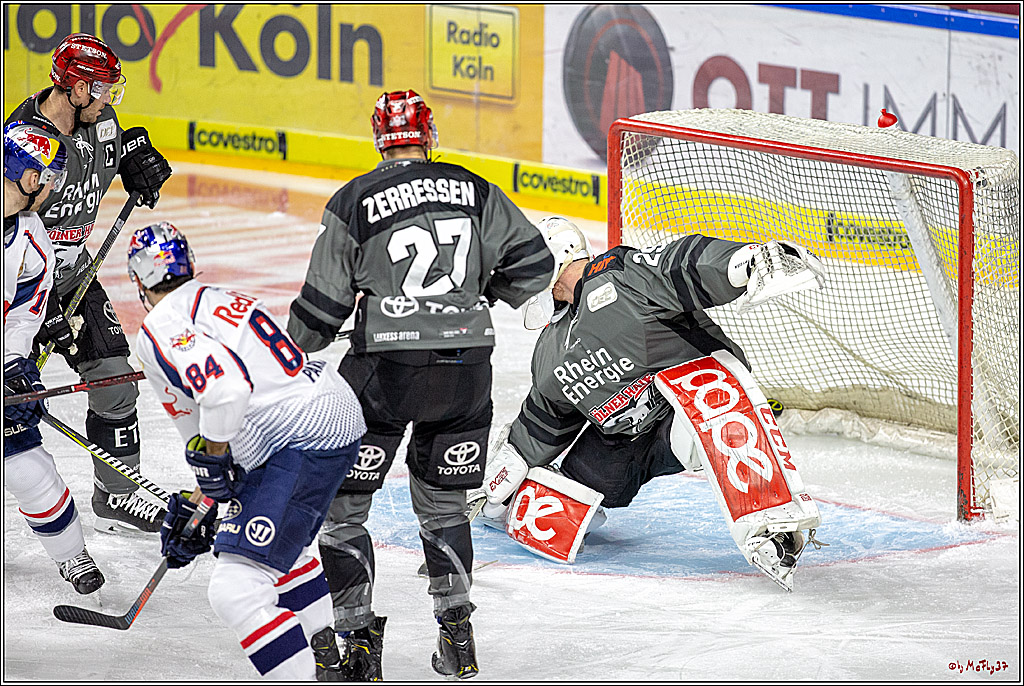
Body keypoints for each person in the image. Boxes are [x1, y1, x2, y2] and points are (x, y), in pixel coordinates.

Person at [287, 89, 555, 680]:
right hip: (466, 371)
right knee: (445, 506)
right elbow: (537, 266)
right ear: (429, 136)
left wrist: (291, 350)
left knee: (344, 509)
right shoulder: (476, 189)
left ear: (377, 138)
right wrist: (477, 295)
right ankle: (458, 639)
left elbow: (320, 311)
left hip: (385, 375)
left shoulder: (354, 199)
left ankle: (359, 645)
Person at [476, 216, 826, 590]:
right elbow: (545, 418)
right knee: (566, 489)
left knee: (713, 414)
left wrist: (743, 262)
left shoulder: (618, 276)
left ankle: (774, 527)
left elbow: (681, 264)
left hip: (696, 403)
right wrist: (510, 465)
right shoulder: (549, 350)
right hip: (626, 440)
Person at [128, 221, 366, 680]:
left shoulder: (163, 325)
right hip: (330, 413)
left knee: (236, 588)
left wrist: (214, 465)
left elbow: (225, 394)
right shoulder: (218, 297)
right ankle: (326, 663)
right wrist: (201, 500)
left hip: (297, 434)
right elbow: (209, 434)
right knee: (283, 552)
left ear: (140, 279)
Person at [6, 32, 173, 535]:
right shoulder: (23, 142)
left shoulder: (102, 120)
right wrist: (37, 309)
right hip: (16, 283)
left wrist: (137, 158)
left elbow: (116, 151)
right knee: (10, 404)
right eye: (101, 89)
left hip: (75, 273)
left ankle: (116, 494)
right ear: (76, 88)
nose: (108, 99)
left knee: (115, 379)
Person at [4, 120, 106, 595]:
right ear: (28, 177)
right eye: (48, 178)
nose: (53, 188)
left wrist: (14, 366)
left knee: (26, 462)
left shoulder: (31, 239)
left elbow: (24, 315)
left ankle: (72, 555)